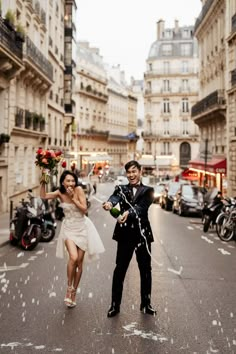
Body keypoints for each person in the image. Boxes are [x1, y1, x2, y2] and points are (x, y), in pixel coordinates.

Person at [40, 170, 105, 308]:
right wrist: (43, 181)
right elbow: (43, 196)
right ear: (62, 182)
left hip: (82, 228)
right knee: (73, 257)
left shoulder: (79, 190)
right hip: (68, 228)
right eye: (68, 181)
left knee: (79, 264)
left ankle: (74, 293)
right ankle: (69, 288)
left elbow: (84, 210)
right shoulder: (59, 193)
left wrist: (73, 198)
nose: (70, 183)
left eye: (72, 181)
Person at [103, 160, 156, 317]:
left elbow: (142, 207)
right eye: (129, 172)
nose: (131, 175)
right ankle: (114, 305)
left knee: (146, 271)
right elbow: (114, 198)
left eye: (134, 171)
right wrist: (108, 203)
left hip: (142, 235)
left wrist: (129, 213)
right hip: (125, 235)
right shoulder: (121, 188)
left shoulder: (148, 190)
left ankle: (146, 304)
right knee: (120, 270)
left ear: (140, 171)